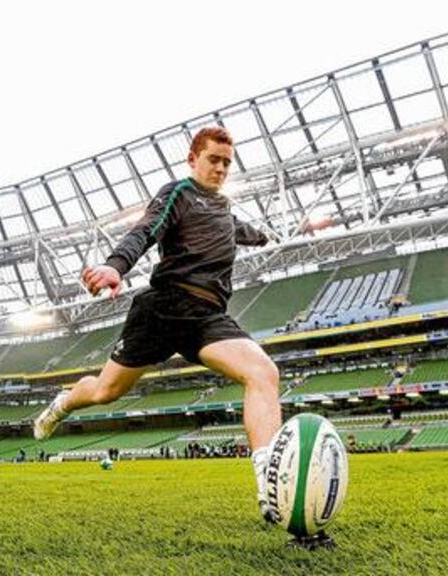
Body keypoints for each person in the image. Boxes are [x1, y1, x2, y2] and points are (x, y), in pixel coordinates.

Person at [34, 127, 285, 523]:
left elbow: (242, 232)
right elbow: (145, 231)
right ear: (192, 160)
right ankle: (62, 404)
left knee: (263, 373)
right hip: (164, 309)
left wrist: (268, 236)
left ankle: (272, 489)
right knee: (105, 391)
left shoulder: (223, 210)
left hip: (208, 318)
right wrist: (115, 266)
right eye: (213, 159)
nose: (220, 168)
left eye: (226, 162)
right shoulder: (178, 194)